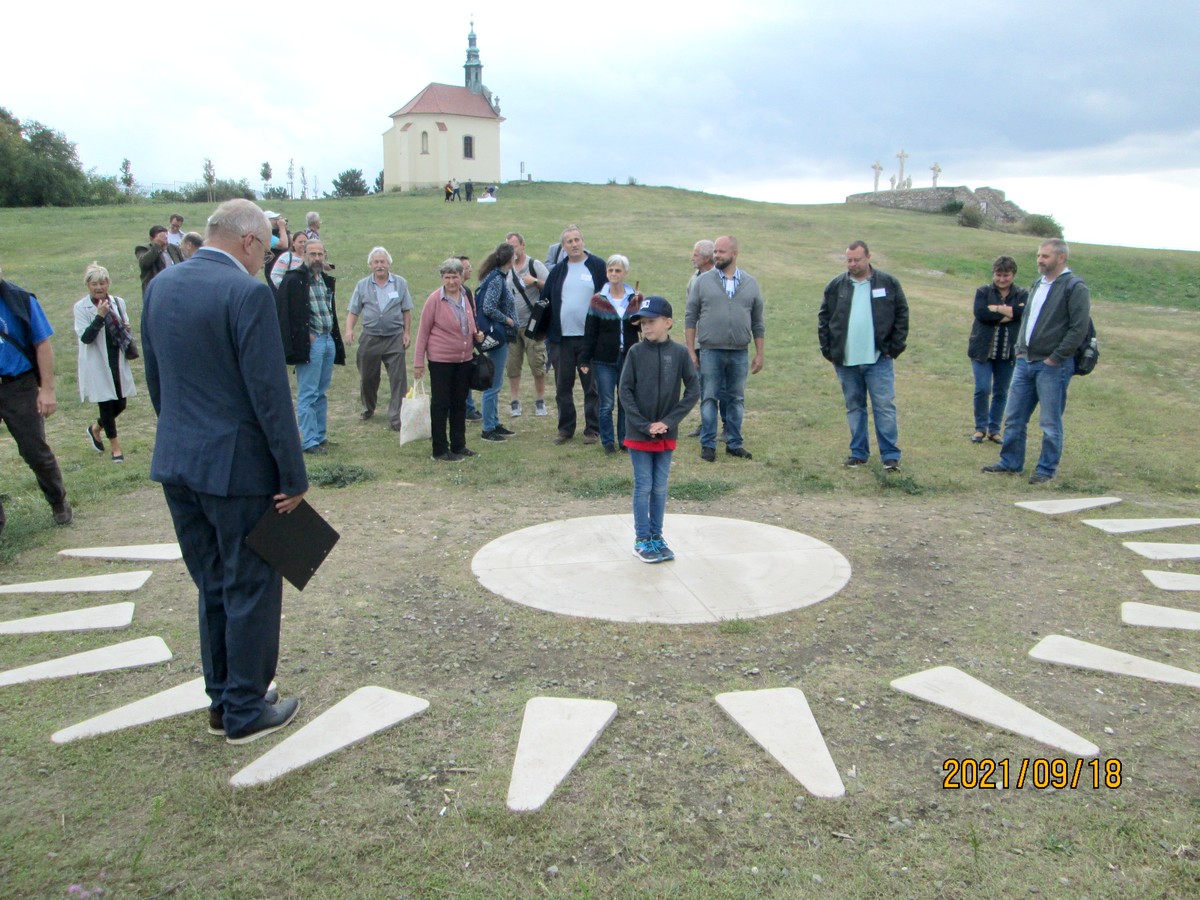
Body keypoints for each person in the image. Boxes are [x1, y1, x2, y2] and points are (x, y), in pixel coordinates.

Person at [141, 198, 305, 744]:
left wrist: (182, 438)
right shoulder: (247, 292)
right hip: (239, 471)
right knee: (251, 586)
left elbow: (158, 381)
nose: (265, 259)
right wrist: (292, 477)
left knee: (212, 584)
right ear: (249, 241)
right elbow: (270, 394)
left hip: (179, 462)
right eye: (266, 247)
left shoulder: (162, 285)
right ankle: (245, 712)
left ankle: (225, 700)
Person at [982, 239, 1090, 484]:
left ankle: (1046, 469)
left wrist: (1055, 358)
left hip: (1053, 365)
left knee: (1050, 422)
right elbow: (1027, 318)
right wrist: (1020, 349)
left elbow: (1078, 328)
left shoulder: (1075, 287)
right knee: (1014, 417)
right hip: (1025, 361)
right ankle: (1010, 463)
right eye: (1039, 255)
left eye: (1045, 256)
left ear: (1061, 258)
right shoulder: (1038, 283)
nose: (1040, 260)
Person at [618, 297, 699, 563]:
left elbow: (693, 390)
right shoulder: (635, 353)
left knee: (660, 487)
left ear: (668, 322)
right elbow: (625, 392)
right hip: (638, 433)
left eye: (651, 321)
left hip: (666, 433)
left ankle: (656, 536)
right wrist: (644, 425)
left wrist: (669, 422)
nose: (646, 327)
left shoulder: (679, 353)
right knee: (644, 486)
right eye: (642, 322)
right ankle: (641, 539)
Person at [818, 240, 908, 471]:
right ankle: (858, 453)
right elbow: (824, 318)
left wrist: (894, 348)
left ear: (868, 257)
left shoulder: (887, 283)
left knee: (884, 407)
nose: (852, 264)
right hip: (846, 361)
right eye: (849, 260)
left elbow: (901, 314)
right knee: (854, 407)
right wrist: (829, 350)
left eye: (857, 259)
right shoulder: (836, 286)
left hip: (878, 359)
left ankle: (890, 455)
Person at [0, 264, 72, 532]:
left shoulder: (20, 300)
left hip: (18, 385)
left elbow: (42, 344)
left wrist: (47, 390)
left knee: (34, 450)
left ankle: (58, 500)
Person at [685, 235, 765, 461]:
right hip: (710, 350)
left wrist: (759, 353)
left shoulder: (750, 283)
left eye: (721, 252)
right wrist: (690, 350)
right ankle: (708, 444)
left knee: (736, 399)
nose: (716, 256)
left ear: (735, 253)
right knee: (709, 397)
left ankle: (734, 443)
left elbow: (758, 321)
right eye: (715, 252)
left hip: (739, 351)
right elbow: (690, 316)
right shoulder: (702, 282)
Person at [277, 240, 346, 455]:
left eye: (320, 254)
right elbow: (284, 314)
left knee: (321, 392)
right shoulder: (293, 280)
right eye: (312, 254)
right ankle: (309, 441)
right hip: (312, 343)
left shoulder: (324, 280)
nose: (317, 258)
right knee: (308, 393)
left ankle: (320, 436)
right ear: (304, 254)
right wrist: (306, 337)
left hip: (327, 340)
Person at [412, 259, 485, 461]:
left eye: (455, 277)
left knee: (459, 403)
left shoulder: (467, 295)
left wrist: (477, 334)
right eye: (447, 277)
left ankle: (459, 445)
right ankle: (440, 449)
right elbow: (423, 332)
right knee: (441, 404)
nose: (451, 281)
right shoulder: (434, 300)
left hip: (464, 359)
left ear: (461, 277)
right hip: (440, 361)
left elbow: (471, 321)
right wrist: (418, 363)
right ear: (442, 278)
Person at [541, 225, 606, 444]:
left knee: (592, 386)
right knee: (563, 386)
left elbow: (608, 297)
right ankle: (565, 429)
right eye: (569, 241)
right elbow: (545, 300)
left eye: (577, 240)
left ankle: (593, 429)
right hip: (562, 340)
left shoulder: (597, 266)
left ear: (583, 242)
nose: (574, 244)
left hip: (590, 339)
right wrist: (542, 331)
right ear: (563, 247)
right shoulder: (558, 271)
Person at [344, 247, 413, 431]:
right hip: (370, 338)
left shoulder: (400, 283)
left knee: (398, 379)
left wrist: (406, 333)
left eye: (382, 262)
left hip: (394, 337)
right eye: (376, 262)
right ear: (370, 265)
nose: (379, 265)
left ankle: (396, 417)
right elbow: (353, 310)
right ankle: (368, 408)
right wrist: (349, 330)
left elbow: (406, 310)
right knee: (368, 377)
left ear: (388, 263)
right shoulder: (362, 285)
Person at [74, 263, 137, 463]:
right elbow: (86, 338)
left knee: (121, 403)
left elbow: (123, 326)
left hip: (116, 358)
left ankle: (95, 428)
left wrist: (126, 327)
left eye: (102, 283)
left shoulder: (118, 302)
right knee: (106, 405)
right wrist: (99, 317)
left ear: (108, 283)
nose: (99, 288)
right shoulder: (81, 307)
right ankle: (116, 448)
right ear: (88, 285)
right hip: (97, 362)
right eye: (94, 284)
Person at [580, 254, 641, 454]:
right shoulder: (598, 300)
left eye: (618, 270)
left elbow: (643, 327)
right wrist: (584, 358)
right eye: (611, 270)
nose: (614, 274)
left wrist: (639, 317)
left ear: (625, 273)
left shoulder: (635, 298)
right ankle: (608, 442)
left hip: (629, 357)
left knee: (625, 401)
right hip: (603, 359)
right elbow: (590, 331)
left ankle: (624, 440)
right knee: (606, 403)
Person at [968, 255, 1027, 443]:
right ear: (993, 274)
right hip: (982, 350)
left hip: (1007, 352)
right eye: (998, 275)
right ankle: (980, 428)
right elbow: (981, 314)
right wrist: (1009, 312)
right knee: (983, 388)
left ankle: (994, 430)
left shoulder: (1022, 294)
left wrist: (995, 308)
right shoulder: (983, 291)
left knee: (1001, 392)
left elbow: (1023, 313)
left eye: (1006, 275)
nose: (1002, 279)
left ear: (1013, 275)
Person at [474, 242, 518, 442]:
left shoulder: (495, 276)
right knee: (493, 383)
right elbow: (488, 307)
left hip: (499, 335)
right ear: (510, 259)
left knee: (496, 382)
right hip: (498, 336)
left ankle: (494, 422)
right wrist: (508, 320)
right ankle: (488, 428)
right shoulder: (497, 279)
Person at [504, 232, 550, 418]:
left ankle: (540, 401)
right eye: (508, 247)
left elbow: (551, 286)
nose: (512, 250)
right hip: (511, 325)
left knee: (537, 363)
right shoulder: (505, 268)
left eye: (514, 246)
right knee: (512, 366)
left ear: (523, 246)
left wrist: (535, 281)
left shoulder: (534, 265)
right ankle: (515, 401)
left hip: (533, 324)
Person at [685, 240, 721, 439]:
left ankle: (726, 426)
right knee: (702, 384)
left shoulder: (719, 278)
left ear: (707, 258)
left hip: (715, 341)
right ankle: (706, 423)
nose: (692, 258)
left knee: (719, 386)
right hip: (698, 340)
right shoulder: (694, 278)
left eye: (696, 254)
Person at [136, 225, 184, 297]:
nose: (164, 239)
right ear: (151, 238)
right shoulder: (143, 249)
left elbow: (182, 264)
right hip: (156, 290)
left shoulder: (174, 248)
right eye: (160, 237)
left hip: (175, 287)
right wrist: (157, 246)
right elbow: (144, 263)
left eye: (165, 236)